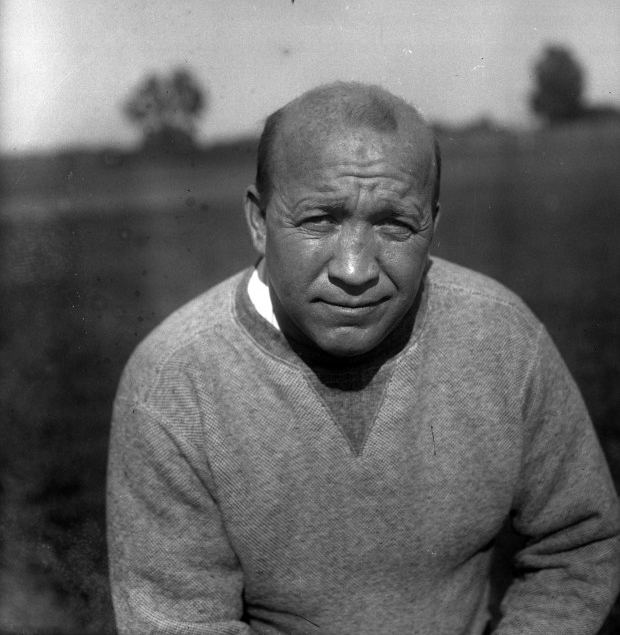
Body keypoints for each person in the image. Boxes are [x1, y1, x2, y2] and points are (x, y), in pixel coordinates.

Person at [107, 82, 620, 635]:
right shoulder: (172, 386)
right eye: (319, 221)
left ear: (433, 225)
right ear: (258, 222)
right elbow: (182, 621)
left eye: (395, 225)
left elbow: (579, 546)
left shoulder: (504, 339)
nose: (355, 271)